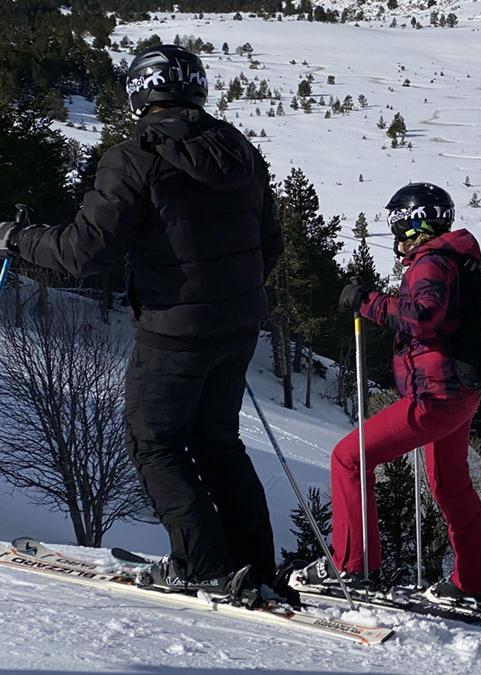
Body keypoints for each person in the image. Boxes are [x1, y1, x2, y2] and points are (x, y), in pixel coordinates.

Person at [0, 46, 280, 597]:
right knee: (218, 442)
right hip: (238, 324)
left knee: (154, 443)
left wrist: (16, 239)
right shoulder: (239, 150)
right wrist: (227, 293)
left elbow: (85, 251)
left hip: (174, 329)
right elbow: (267, 244)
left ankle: (203, 565)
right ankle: (252, 564)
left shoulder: (132, 159)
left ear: (140, 93)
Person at [294, 183, 481, 608]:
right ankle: (479, 581)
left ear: (412, 222)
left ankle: (353, 567)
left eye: (397, 223)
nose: (395, 235)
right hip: (461, 392)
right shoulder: (458, 260)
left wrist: (368, 302)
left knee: (349, 457)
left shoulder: (430, 264)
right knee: (449, 483)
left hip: (436, 396)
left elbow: (423, 318)